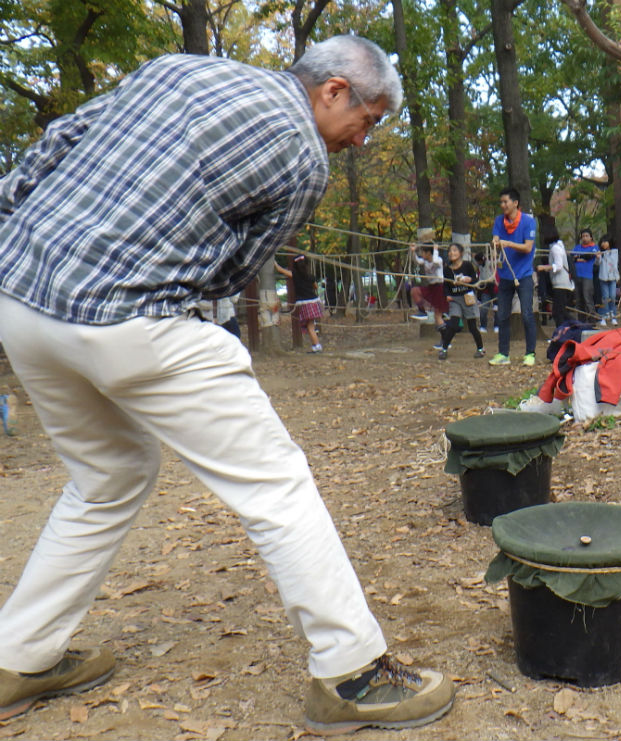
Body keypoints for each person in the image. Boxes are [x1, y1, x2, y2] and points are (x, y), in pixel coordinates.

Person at [0, 36, 455, 732]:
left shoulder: (178, 69)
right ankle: (350, 672)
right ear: (334, 90)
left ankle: (18, 655)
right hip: (130, 318)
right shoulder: (303, 156)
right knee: (274, 481)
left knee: (108, 472)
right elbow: (232, 269)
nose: (363, 140)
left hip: (22, 299)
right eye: (368, 120)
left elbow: (57, 142)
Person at [489, 187, 538, 366]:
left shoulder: (528, 222)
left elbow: (527, 247)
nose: (503, 205)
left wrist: (508, 243)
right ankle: (503, 354)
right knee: (502, 315)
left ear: (515, 203)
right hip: (505, 275)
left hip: (524, 275)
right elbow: (496, 241)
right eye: (501, 202)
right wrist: (495, 247)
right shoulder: (498, 221)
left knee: (526, 314)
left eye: (505, 202)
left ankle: (530, 353)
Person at [436, 243, 485, 360]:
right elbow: (446, 285)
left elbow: (475, 279)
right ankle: (444, 349)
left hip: (467, 298)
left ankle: (480, 349)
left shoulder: (467, 265)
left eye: (454, 250)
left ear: (461, 253)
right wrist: (447, 295)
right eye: (450, 251)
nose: (451, 253)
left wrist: (470, 280)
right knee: (453, 324)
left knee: (472, 326)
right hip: (455, 299)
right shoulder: (447, 269)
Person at [277, 254, 323, 352]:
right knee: (310, 325)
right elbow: (315, 286)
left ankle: (317, 347)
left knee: (310, 326)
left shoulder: (294, 274)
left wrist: (274, 263)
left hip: (305, 303)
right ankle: (316, 346)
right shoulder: (310, 276)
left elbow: (280, 270)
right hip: (314, 302)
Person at [537, 225, 573, 327]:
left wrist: (544, 268)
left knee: (559, 313)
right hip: (561, 283)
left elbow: (559, 265)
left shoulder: (555, 249)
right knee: (561, 311)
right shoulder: (558, 246)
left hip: (560, 284)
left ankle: (562, 333)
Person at [412, 243, 447, 324]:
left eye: (423, 252)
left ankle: (445, 332)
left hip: (440, 288)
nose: (421, 254)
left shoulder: (438, 260)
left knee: (437, 315)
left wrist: (435, 250)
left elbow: (435, 261)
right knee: (415, 291)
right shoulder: (424, 261)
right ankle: (422, 312)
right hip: (431, 287)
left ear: (428, 253)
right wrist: (413, 251)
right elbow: (416, 260)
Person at [572, 229, 598, 321]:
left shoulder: (594, 247)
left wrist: (579, 257)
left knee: (588, 298)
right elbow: (572, 258)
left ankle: (591, 320)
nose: (585, 238)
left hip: (588, 276)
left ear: (591, 237)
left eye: (587, 236)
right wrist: (580, 258)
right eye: (583, 236)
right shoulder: (577, 247)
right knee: (579, 299)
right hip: (577, 275)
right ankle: (581, 321)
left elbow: (590, 256)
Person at [596, 234, 619, 326]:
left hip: (612, 277)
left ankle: (613, 316)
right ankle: (604, 316)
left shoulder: (615, 252)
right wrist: (598, 257)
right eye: (602, 242)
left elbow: (614, 263)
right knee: (605, 297)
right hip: (603, 278)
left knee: (612, 296)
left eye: (605, 242)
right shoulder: (600, 253)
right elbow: (598, 263)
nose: (603, 244)